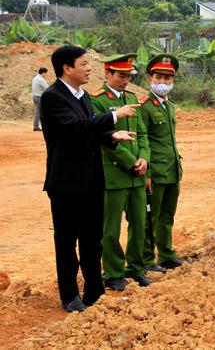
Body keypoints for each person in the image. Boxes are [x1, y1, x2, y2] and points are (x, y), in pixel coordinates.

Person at [40, 45, 138, 312]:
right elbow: (74, 128)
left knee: (92, 240)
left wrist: (111, 135)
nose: (89, 68)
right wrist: (115, 116)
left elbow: (89, 130)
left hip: (92, 180)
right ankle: (70, 296)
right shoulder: (52, 97)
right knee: (67, 241)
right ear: (67, 68)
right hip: (67, 183)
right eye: (83, 64)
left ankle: (94, 292)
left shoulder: (82, 95)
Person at [90, 54, 151, 291]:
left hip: (137, 174)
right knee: (111, 228)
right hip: (115, 174)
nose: (125, 81)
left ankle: (135, 268)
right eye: (121, 76)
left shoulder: (133, 99)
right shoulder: (97, 101)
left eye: (128, 76)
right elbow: (103, 139)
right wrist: (131, 162)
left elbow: (142, 134)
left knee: (139, 223)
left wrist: (144, 159)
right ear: (107, 74)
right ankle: (114, 272)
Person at [139, 54, 184, 272]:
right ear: (150, 78)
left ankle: (166, 254)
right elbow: (143, 140)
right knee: (150, 218)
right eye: (159, 77)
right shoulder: (144, 106)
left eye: (168, 78)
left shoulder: (170, 106)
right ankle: (148, 259)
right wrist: (146, 173)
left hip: (172, 170)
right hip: (154, 171)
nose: (163, 82)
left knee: (167, 215)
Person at [32, 67, 49, 131]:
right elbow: (47, 88)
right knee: (39, 112)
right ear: (43, 73)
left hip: (35, 96)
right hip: (39, 97)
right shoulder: (41, 79)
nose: (46, 75)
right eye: (46, 73)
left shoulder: (35, 78)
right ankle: (36, 126)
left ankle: (36, 126)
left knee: (38, 111)